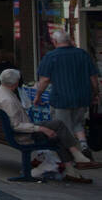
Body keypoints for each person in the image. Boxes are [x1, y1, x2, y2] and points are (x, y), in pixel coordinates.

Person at [0, 68, 94, 181]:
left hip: (0, 131)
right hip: (22, 135)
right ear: (15, 84)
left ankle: (73, 162)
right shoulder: (8, 100)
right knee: (57, 130)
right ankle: (73, 161)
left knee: (57, 126)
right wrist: (41, 128)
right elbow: (16, 126)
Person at [33, 30, 100, 163]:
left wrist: (38, 95)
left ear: (55, 42)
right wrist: (95, 93)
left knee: (63, 127)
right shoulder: (83, 54)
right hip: (82, 97)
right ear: (69, 40)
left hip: (61, 97)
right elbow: (93, 78)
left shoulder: (51, 56)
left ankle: (70, 157)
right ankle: (84, 146)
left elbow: (45, 80)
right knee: (77, 122)